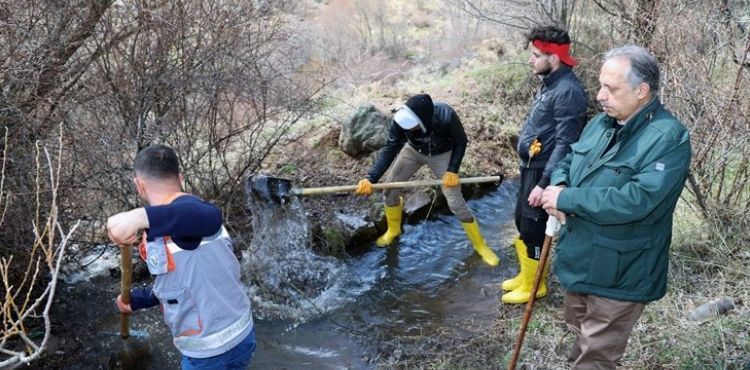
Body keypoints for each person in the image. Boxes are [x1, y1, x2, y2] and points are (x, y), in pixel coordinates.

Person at [540, 45, 691, 368]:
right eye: (600, 85)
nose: (600, 96)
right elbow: (569, 159)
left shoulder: (668, 138)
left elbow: (638, 199)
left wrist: (568, 199)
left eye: (611, 88)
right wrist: (562, 183)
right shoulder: (601, 124)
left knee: (596, 355)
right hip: (580, 258)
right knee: (578, 333)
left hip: (621, 270)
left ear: (642, 91)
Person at [107, 145, 256, 370]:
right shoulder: (167, 224)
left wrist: (138, 216)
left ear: (139, 185)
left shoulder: (194, 212)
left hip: (208, 352)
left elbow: (210, 216)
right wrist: (138, 299)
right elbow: (183, 280)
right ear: (180, 177)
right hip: (241, 336)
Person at [354, 94, 500, 266]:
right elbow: (390, 148)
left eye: (413, 125)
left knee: (455, 202)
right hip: (413, 151)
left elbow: (461, 141)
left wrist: (452, 171)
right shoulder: (400, 121)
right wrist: (371, 178)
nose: (408, 129)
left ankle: (480, 245)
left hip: (442, 154)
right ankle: (393, 230)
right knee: (390, 189)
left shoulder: (446, 115)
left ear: (424, 120)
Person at [501, 25, 587, 304]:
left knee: (534, 227)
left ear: (554, 57)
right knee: (522, 223)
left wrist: (543, 183)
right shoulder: (550, 84)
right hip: (530, 167)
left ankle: (536, 286)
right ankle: (527, 277)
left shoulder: (568, 91)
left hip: (543, 172)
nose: (531, 59)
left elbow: (566, 143)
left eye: (536, 55)